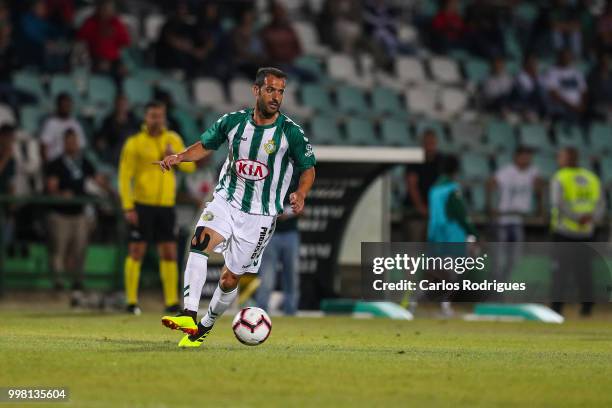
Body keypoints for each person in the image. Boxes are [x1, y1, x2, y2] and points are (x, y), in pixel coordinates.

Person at [159, 67, 316, 347]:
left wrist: (301, 193)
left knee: (230, 279)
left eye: (281, 91)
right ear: (256, 91)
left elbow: (308, 168)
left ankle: (204, 326)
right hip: (226, 200)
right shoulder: (233, 122)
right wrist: (180, 157)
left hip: (261, 215)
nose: (276, 96)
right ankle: (188, 313)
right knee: (200, 241)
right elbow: (206, 145)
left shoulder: (290, 133)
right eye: (270, 90)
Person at [118, 101, 196, 315]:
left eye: (160, 116)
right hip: (142, 206)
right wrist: (128, 207)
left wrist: (176, 157)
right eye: (153, 116)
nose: (157, 120)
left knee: (169, 253)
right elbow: (125, 177)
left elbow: (191, 167)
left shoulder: (172, 139)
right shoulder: (135, 143)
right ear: (145, 118)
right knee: (136, 251)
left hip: (166, 207)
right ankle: (131, 301)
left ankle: (171, 301)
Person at [410, 155, 477, 317]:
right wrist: (472, 232)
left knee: (437, 274)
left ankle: (414, 302)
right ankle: (443, 306)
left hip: (435, 235)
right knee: (453, 274)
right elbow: (460, 214)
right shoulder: (451, 190)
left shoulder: (434, 189)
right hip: (452, 236)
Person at [45, 129, 108, 303]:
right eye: (69, 141)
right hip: (60, 214)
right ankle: (58, 285)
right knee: (59, 250)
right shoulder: (56, 163)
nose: (72, 144)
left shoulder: (84, 162)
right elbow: (51, 188)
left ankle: (77, 284)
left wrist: (107, 187)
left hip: (79, 213)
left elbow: (97, 180)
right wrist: (61, 194)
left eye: (74, 141)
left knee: (80, 249)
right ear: (64, 143)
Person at [550, 147, 605, 317]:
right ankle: (587, 308)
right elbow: (601, 203)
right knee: (585, 271)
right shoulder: (592, 178)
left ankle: (556, 310)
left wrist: (576, 218)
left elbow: (558, 203)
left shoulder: (560, 177)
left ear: (569, 158)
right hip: (587, 232)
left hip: (564, 231)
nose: (558, 159)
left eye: (561, 155)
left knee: (560, 272)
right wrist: (591, 219)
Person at [487, 146, 544, 281]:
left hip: (518, 220)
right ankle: (494, 288)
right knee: (499, 260)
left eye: (528, 156)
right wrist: (490, 207)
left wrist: (540, 207)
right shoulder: (506, 172)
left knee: (515, 259)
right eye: (524, 156)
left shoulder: (533, 171)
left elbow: (539, 189)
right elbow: (489, 184)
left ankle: (502, 283)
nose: (527, 159)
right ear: (516, 157)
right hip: (504, 220)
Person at [255, 174, 301, 315]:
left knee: (291, 274)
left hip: (290, 233)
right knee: (267, 275)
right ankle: (260, 311)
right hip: (270, 233)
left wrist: (285, 212)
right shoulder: (269, 176)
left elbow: (301, 207)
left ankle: (291, 311)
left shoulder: (296, 178)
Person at [403, 129, 445, 242]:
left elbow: (445, 185)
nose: (430, 147)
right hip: (415, 213)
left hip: (435, 213)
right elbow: (412, 185)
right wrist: (421, 207)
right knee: (414, 249)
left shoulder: (441, 161)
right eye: (427, 143)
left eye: (432, 143)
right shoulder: (415, 160)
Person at [77, 0, 130, 74]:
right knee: (102, 67)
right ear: (99, 9)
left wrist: (115, 34)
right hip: (94, 58)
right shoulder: (90, 22)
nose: (107, 12)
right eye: (105, 9)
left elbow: (125, 42)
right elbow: (80, 39)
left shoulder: (116, 23)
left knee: (124, 70)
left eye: (110, 9)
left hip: (114, 59)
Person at [39, 93, 87, 162]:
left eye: (68, 105)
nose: (66, 107)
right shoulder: (51, 123)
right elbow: (44, 146)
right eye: (63, 105)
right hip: (55, 161)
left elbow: (81, 146)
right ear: (58, 106)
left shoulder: (75, 124)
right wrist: (47, 166)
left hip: (72, 161)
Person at [94, 94, 139, 165]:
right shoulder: (108, 121)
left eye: (124, 104)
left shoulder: (134, 120)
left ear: (128, 105)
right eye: (119, 104)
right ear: (115, 105)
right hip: (116, 153)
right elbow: (100, 139)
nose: (122, 107)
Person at [543, 49, 587, 123]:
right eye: (564, 57)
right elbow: (553, 94)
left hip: (578, 107)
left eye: (568, 57)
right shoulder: (552, 72)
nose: (566, 59)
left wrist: (582, 105)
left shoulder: (576, 72)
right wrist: (572, 106)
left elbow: (584, 91)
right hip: (561, 107)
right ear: (559, 58)